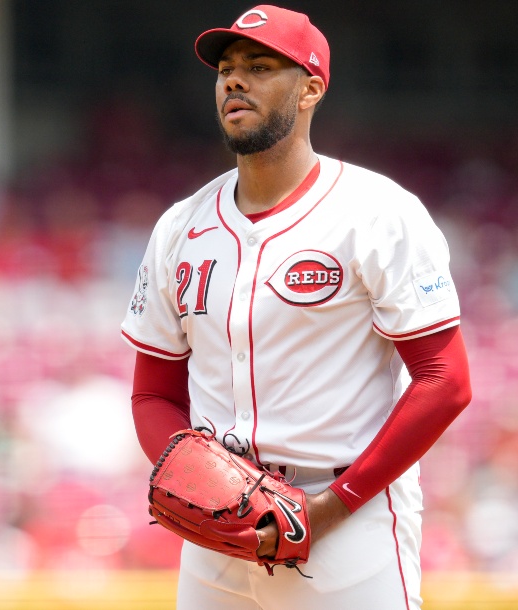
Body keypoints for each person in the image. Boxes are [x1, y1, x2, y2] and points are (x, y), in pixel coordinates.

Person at [120, 5, 472, 609]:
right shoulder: (181, 226)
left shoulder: (376, 213)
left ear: (310, 88)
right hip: (221, 528)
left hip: (348, 526)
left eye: (259, 66)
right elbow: (152, 394)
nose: (234, 80)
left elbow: (446, 381)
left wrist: (329, 509)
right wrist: (202, 488)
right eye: (226, 69)